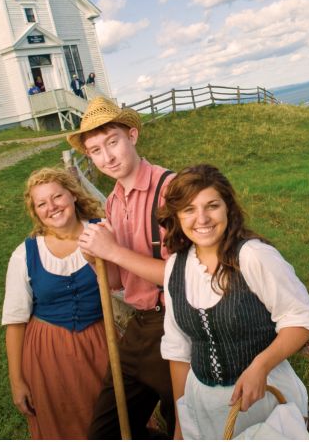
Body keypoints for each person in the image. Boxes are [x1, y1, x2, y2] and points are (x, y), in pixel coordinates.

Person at [159, 164, 309, 439]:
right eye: (189, 209)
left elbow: (302, 318)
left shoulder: (253, 256)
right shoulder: (175, 266)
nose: (202, 218)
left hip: (262, 399)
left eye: (212, 206)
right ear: (177, 216)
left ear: (227, 208)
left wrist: (260, 365)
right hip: (203, 405)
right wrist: (180, 421)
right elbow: (178, 349)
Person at [70, 96, 177, 439]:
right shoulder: (114, 200)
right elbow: (117, 282)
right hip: (141, 324)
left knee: (186, 428)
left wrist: (113, 250)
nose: (107, 157)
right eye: (96, 151)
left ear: (132, 136)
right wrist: (95, 257)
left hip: (178, 325)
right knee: (106, 431)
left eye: (112, 142)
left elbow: (183, 280)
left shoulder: (170, 191)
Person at [2, 167, 110, 439]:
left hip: (100, 342)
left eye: (57, 196)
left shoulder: (102, 232)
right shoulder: (24, 255)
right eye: (42, 203)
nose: (51, 207)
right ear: (35, 211)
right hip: (47, 352)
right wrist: (17, 382)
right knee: (60, 422)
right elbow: (15, 322)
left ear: (73, 195)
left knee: (107, 417)